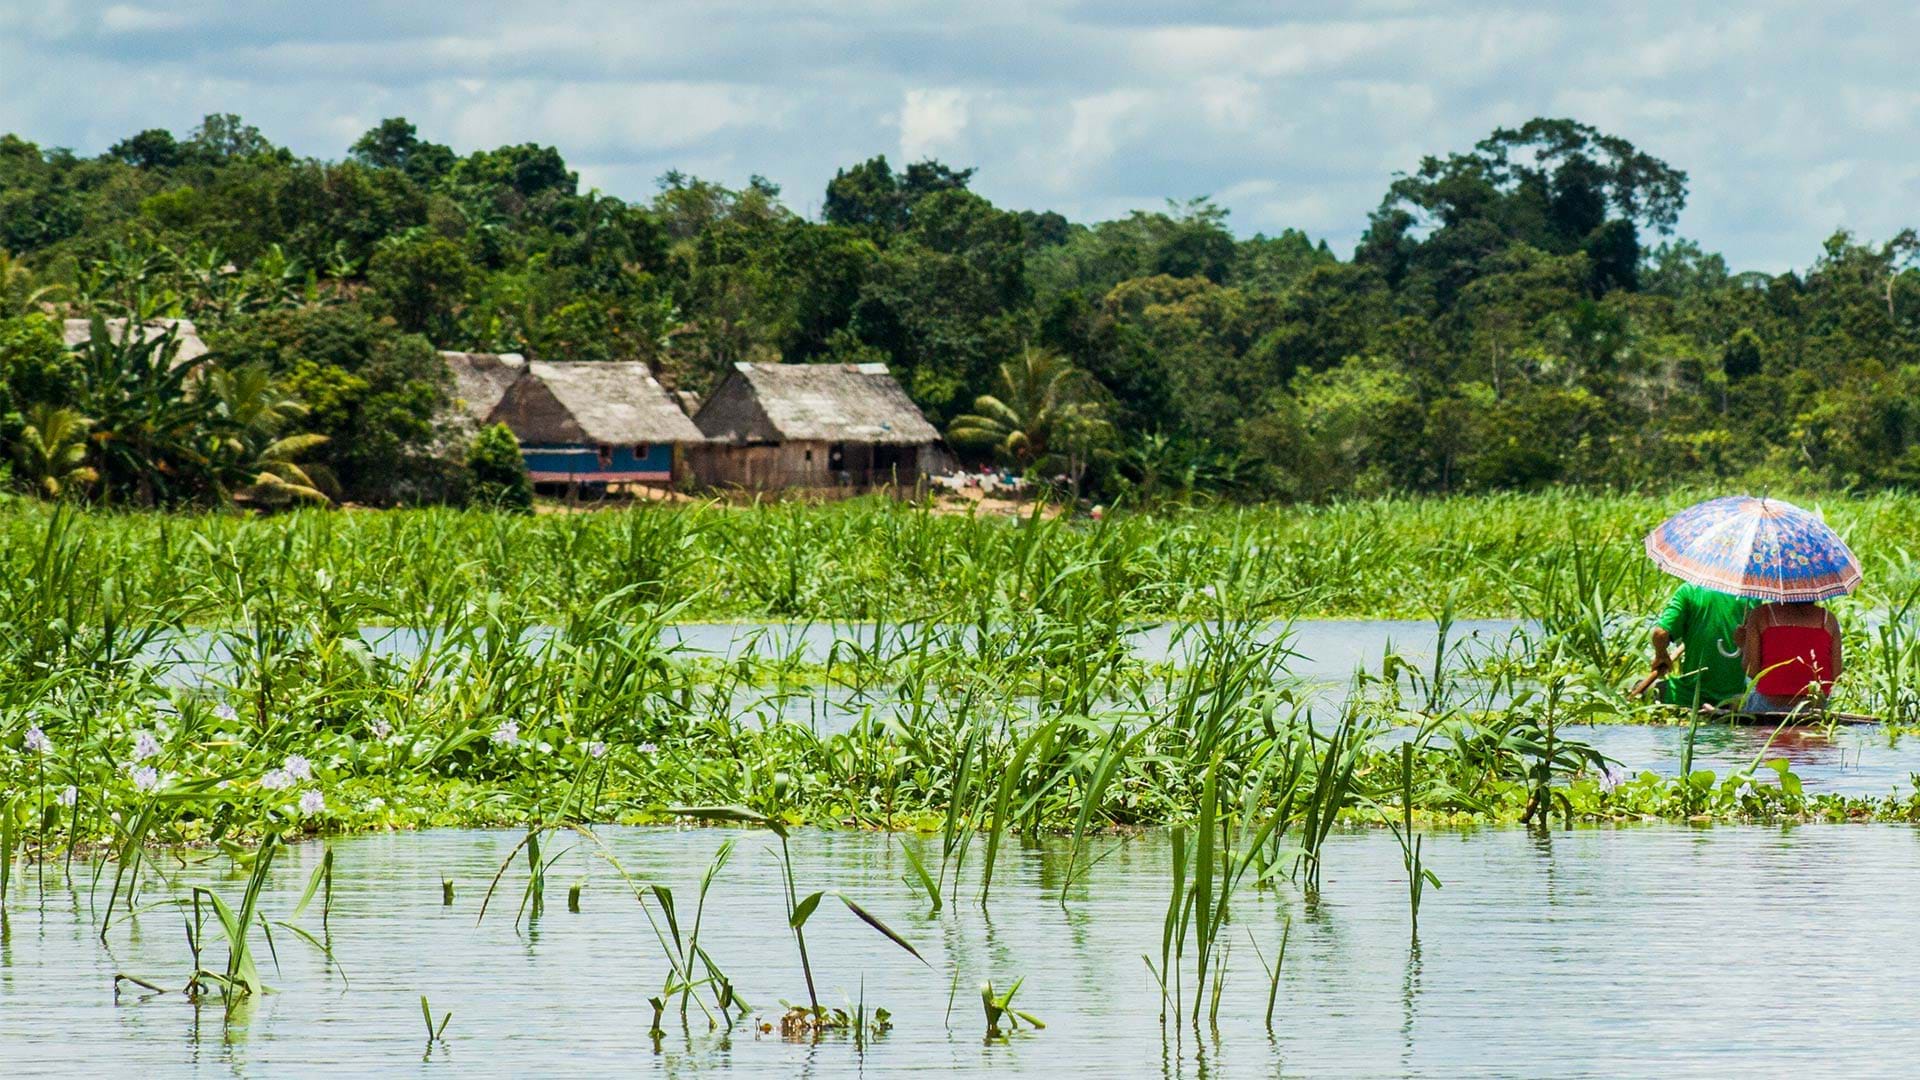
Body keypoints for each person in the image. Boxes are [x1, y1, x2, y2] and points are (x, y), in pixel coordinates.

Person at [1651, 583, 1759, 708]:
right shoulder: (1752, 596)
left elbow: (1660, 633)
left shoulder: (1690, 590)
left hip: (1690, 697)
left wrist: (1661, 655)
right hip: (1737, 699)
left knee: (1647, 688)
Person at [1734, 601, 1841, 714]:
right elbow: (1836, 675)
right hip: (1816, 706)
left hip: (1768, 705)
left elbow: (1751, 671)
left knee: (1742, 699)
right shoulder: (1829, 620)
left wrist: (1743, 645)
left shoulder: (1760, 615)